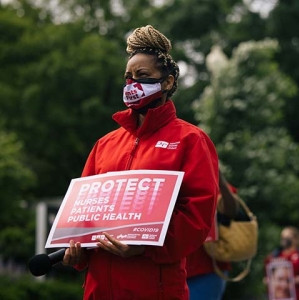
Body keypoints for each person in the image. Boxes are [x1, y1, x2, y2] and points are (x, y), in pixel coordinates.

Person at [62, 25, 219, 300]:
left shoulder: (191, 140)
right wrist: (75, 249)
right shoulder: (105, 144)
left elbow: (197, 215)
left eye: (142, 76)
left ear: (168, 82)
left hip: (155, 289)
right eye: (128, 77)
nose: (133, 84)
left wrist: (146, 248)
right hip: (99, 289)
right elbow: (83, 215)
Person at [185, 170, 240, 300]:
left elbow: (232, 212)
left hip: (209, 268)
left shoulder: (211, 182)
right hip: (176, 267)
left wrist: (221, 181)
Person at [264, 226, 299, 299]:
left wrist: (295, 280)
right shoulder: (275, 255)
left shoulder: (298, 255)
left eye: (287, 237)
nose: (284, 240)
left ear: (295, 239)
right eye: (283, 237)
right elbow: (267, 273)